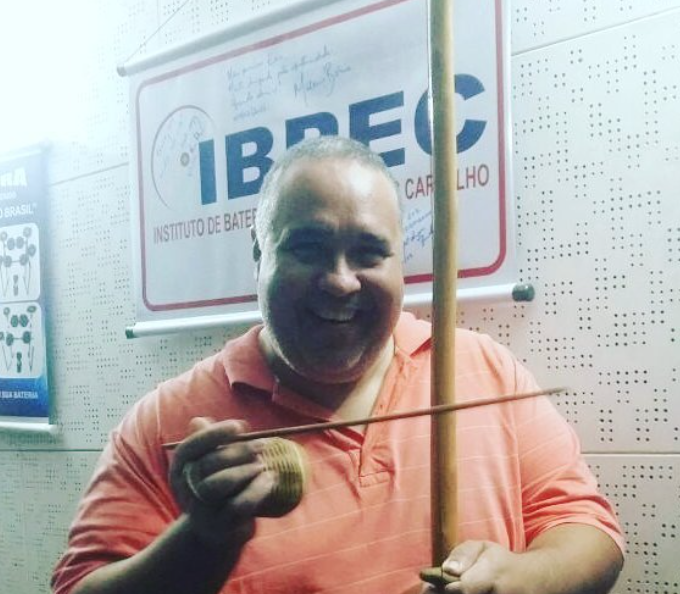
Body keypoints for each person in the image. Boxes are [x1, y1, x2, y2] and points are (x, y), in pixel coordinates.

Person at [52, 136, 624, 594]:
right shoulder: (166, 424)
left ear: (401, 262)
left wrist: (522, 579)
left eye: (369, 253)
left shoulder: (482, 369)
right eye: (308, 249)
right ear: (259, 253)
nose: (341, 281)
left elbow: (590, 531)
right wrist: (202, 540)